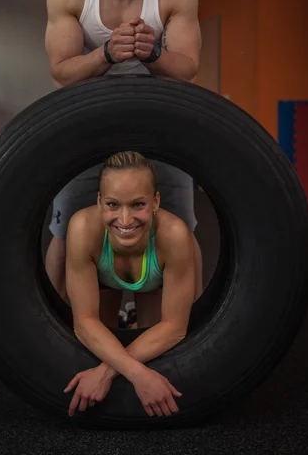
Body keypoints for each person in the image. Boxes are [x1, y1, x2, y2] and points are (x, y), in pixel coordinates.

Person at [43, 0, 203, 309]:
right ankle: (53, 336)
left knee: (180, 229)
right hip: (88, 119)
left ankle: (187, 339)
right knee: (65, 233)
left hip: (159, 120)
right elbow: (61, 72)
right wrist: (107, 53)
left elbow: (187, 69)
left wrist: (153, 54)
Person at [63, 151, 197, 418]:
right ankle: (124, 319)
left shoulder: (174, 235)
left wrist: (105, 372)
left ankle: (133, 319)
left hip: (154, 283)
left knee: (156, 341)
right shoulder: (82, 227)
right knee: (102, 334)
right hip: (104, 282)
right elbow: (84, 321)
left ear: (156, 201)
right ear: (99, 202)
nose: (125, 220)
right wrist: (139, 376)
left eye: (138, 205)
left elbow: (175, 327)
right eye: (113, 205)